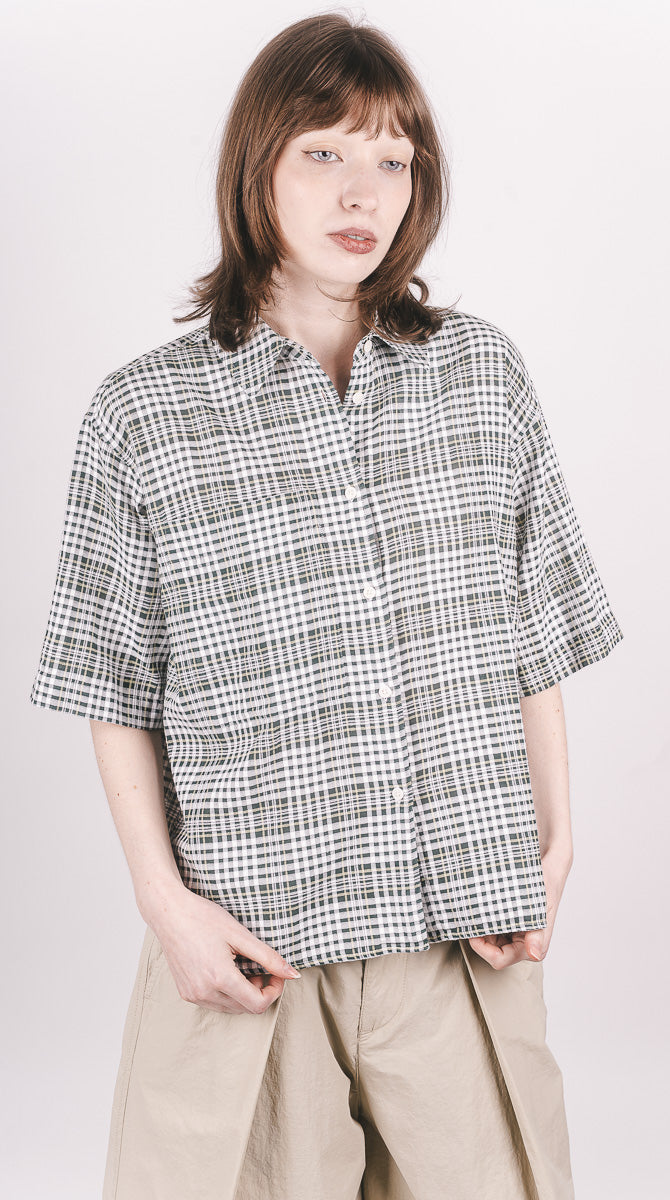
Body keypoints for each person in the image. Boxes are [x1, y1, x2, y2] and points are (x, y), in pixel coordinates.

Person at [29, 12, 624, 1200]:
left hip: (459, 936)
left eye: (392, 160)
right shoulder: (142, 416)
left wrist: (554, 846)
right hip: (252, 952)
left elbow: (535, 638)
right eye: (323, 153)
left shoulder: (481, 376)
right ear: (255, 163)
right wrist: (167, 907)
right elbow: (111, 685)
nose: (363, 192)